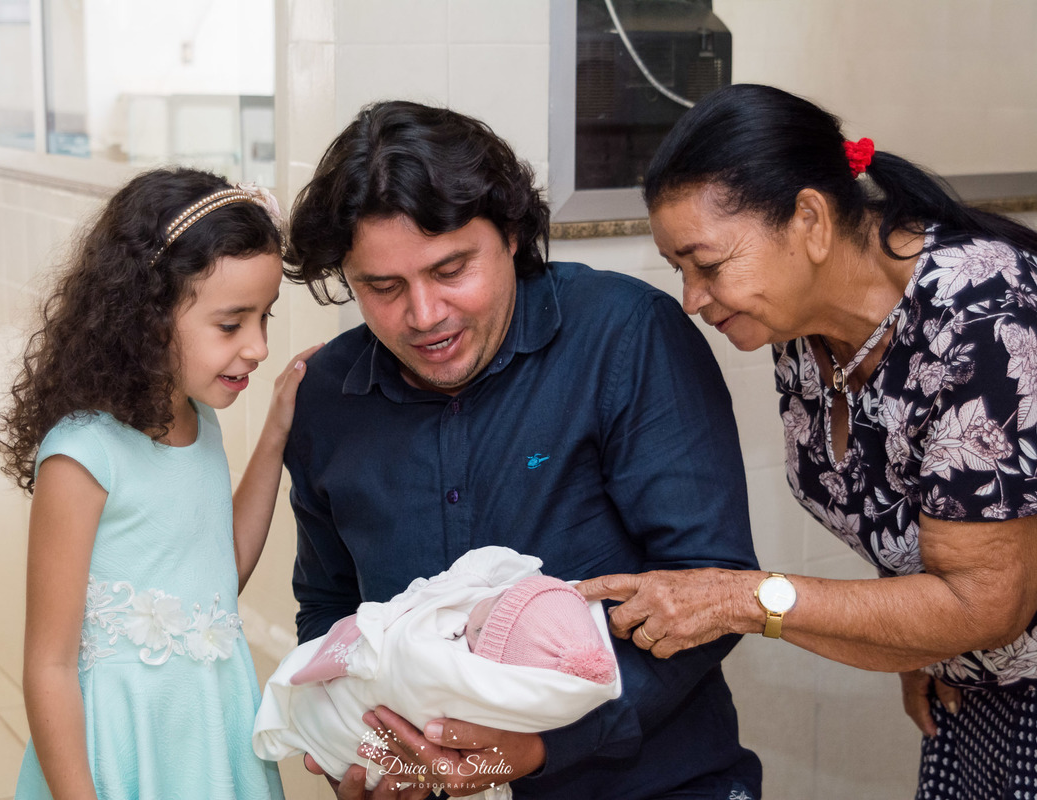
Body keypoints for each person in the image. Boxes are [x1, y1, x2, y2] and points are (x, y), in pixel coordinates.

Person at [282, 100, 762, 800]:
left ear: (510, 234)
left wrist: (541, 749)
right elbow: (330, 606)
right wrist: (362, 747)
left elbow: (714, 587)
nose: (424, 315)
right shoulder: (328, 397)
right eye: (382, 288)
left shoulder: (625, 337)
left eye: (451, 270)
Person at [577, 83, 1037, 800]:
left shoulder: (982, 322)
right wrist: (914, 644)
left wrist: (744, 598)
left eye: (709, 265)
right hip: (973, 685)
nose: (693, 300)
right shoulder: (802, 326)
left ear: (811, 221)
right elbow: (922, 517)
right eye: (679, 272)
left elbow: (986, 604)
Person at [0, 167, 320, 800]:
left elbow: (218, 574)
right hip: (125, 741)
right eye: (231, 324)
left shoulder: (198, 420)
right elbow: (49, 666)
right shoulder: (82, 456)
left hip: (208, 724)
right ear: (146, 318)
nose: (258, 347)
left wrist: (276, 432)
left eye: (265, 317)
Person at [252, 546, 620, 799]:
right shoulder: (315, 450)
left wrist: (541, 749)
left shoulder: (443, 663)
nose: (490, 596)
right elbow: (324, 600)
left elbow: (398, 657)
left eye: (496, 603)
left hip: (609, 785)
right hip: (388, 765)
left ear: (482, 638)